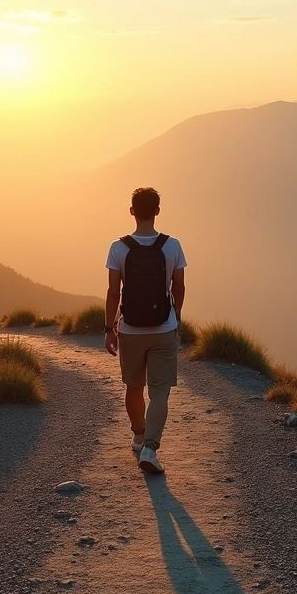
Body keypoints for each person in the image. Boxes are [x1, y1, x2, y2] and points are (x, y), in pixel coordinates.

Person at [104, 187, 187, 474]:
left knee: (134, 387)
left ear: (131, 211)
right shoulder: (172, 245)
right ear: (158, 211)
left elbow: (114, 292)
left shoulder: (119, 247)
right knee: (160, 391)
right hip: (164, 328)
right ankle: (151, 447)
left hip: (129, 329)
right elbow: (179, 286)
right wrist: (175, 317)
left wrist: (109, 328)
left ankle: (139, 436)